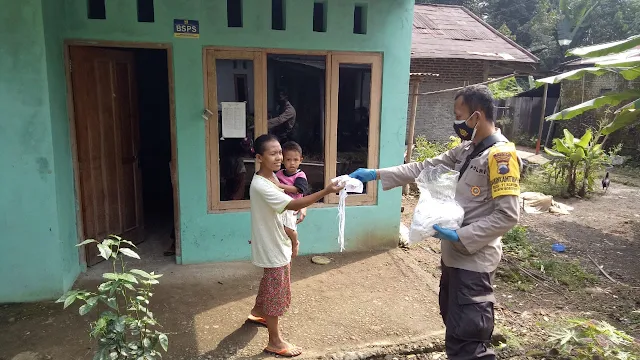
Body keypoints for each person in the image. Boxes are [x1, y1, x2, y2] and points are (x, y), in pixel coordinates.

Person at [350, 85, 521, 360]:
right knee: (454, 330)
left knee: (469, 340)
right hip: (453, 259)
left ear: (476, 117)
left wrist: (462, 236)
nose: (456, 123)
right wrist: (376, 174)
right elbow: (424, 167)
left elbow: (508, 215)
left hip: (474, 262)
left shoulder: (501, 156)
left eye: (459, 115)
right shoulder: (468, 150)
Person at [247, 134, 343, 357]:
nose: (279, 157)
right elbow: (294, 203)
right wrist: (326, 191)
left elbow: (294, 201)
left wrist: (303, 208)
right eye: (273, 153)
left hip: (275, 240)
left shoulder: (271, 179)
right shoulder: (263, 185)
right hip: (273, 245)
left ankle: (257, 312)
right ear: (260, 157)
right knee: (276, 292)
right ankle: (275, 341)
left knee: (271, 284)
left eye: (280, 152)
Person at [275, 141, 309, 258]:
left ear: (301, 160)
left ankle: (295, 242)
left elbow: (299, 190)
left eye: (295, 160)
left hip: (293, 206)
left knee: (288, 228)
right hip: (281, 206)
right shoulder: (278, 174)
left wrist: (280, 186)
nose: (292, 163)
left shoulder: (300, 175)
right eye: (288, 160)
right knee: (279, 229)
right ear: (283, 160)